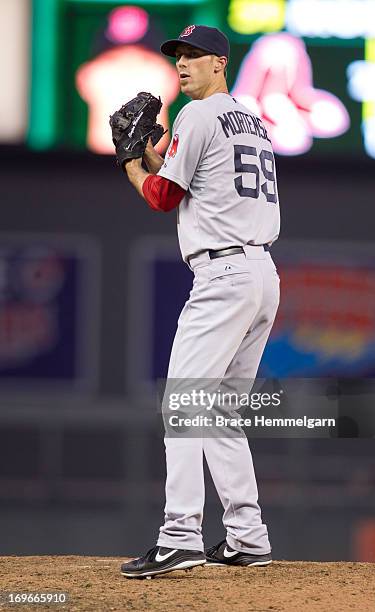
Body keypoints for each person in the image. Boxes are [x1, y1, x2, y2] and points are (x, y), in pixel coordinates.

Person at [120, 24, 280, 579]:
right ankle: (247, 535)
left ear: (220, 63)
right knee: (217, 413)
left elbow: (164, 198)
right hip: (262, 274)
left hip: (224, 274)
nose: (182, 64)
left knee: (184, 405)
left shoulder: (199, 114)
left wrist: (133, 163)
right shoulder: (253, 122)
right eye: (178, 56)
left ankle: (180, 535)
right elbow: (206, 183)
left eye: (194, 55)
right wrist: (158, 155)